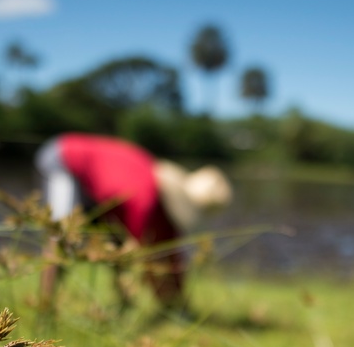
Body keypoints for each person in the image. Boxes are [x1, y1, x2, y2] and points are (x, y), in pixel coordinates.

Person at [34, 133, 232, 315]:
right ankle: (44, 309)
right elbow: (151, 259)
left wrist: (177, 301)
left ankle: (122, 305)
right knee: (61, 236)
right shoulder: (144, 203)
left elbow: (168, 255)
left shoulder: (157, 203)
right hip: (65, 157)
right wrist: (170, 302)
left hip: (101, 185)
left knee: (116, 244)